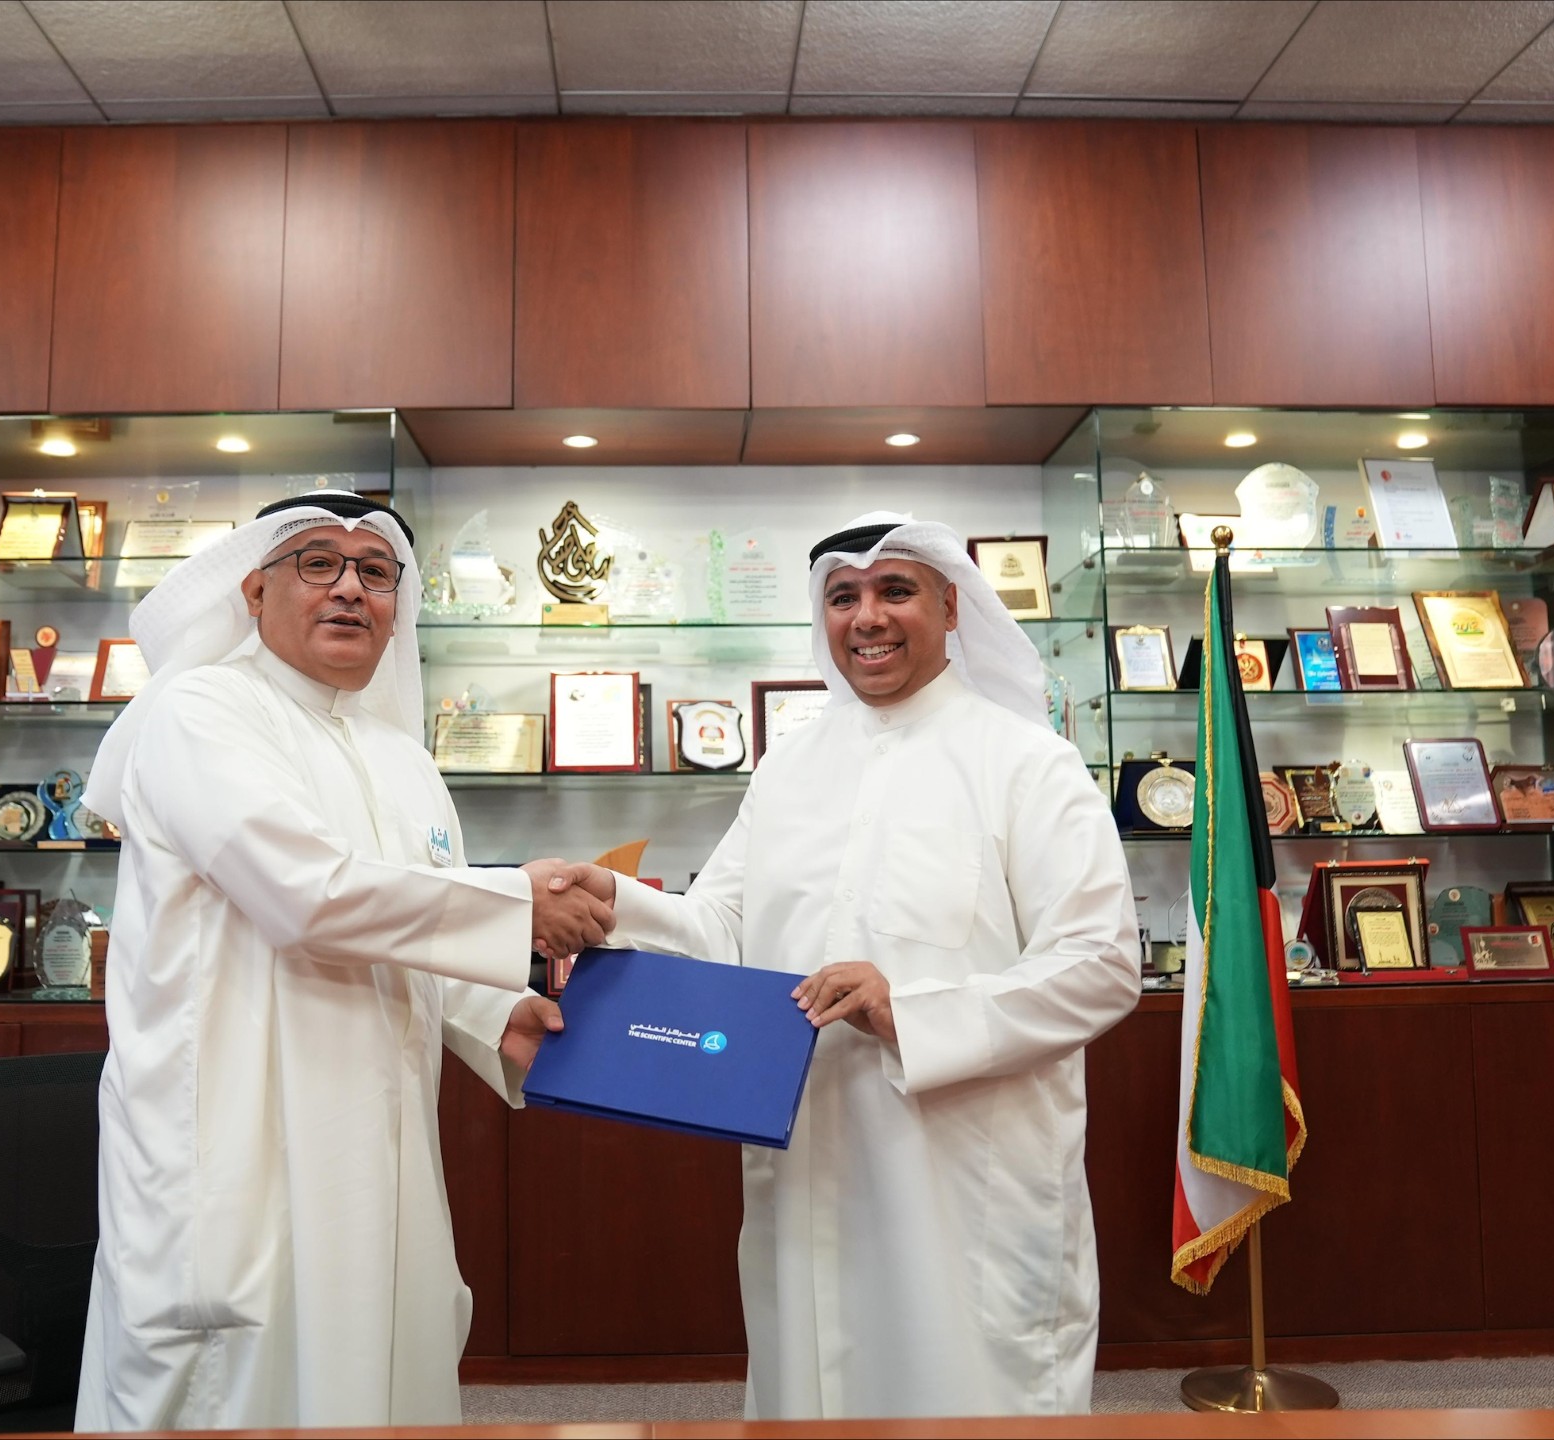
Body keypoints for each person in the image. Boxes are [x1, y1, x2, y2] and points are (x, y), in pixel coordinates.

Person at [579, 511, 1141, 1419]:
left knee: (966, 1392)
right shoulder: (789, 767)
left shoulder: (1026, 763)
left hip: (963, 1169)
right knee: (813, 1386)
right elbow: (721, 926)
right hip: (806, 1146)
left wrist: (908, 1012)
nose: (868, 617)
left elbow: (1101, 962)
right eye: (844, 597)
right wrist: (611, 902)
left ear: (951, 607)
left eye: (895, 591)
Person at [73, 492, 611, 1432]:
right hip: (240, 1144)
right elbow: (306, 895)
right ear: (255, 592)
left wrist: (496, 1016)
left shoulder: (402, 757)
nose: (350, 589)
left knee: (384, 1361)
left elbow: (411, 930)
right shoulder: (202, 711)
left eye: (375, 571)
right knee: (240, 1386)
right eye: (319, 563)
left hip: (378, 1140)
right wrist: (520, 904)